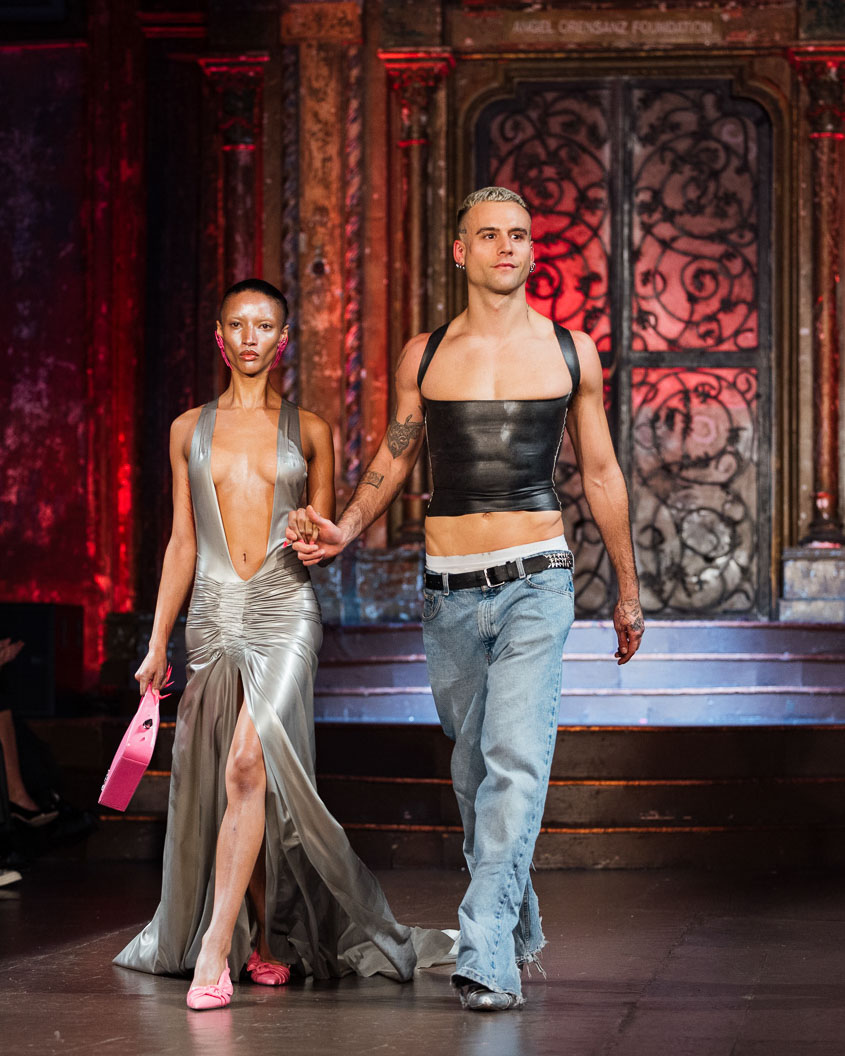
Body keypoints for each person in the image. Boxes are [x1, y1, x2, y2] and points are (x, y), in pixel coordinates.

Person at [287, 187, 644, 1012]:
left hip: (536, 581)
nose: (506, 247)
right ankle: (511, 930)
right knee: (473, 770)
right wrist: (345, 528)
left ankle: (483, 955)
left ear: (531, 249)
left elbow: (599, 473)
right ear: (460, 251)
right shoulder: (425, 355)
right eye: (489, 235)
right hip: (448, 591)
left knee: (514, 763)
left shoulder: (569, 352)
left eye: (518, 235)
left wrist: (626, 592)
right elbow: (395, 454)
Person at [114, 278, 454, 1010]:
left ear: (283, 339)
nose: (249, 337)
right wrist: (158, 639)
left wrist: (310, 535)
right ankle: (265, 936)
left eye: (263, 326)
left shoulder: (312, 429)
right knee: (236, 780)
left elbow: (319, 538)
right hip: (212, 614)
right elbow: (181, 541)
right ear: (219, 336)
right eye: (237, 324)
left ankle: (215, 949)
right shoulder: (186, 429)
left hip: (283, 610)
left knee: (248, 759)